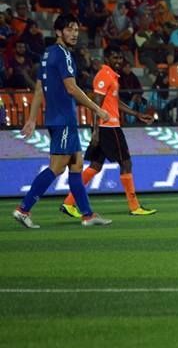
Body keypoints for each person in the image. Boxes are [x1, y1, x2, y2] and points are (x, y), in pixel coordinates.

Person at [12, 14, 112, 229]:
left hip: (56, 119)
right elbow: (72, 88)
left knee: (76, 166)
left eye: (76, 30)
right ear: (58, 32)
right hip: (64, 119)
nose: (74, 34)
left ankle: (87, 214)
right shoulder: (64, 55)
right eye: (69, 29)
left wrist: (32, 119)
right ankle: (24, 209)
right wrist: (97, 109)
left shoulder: (47, 54)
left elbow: (39, 89)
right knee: (56, 168)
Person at [60, 47, 157, 219]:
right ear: (107, 58)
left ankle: (68, 202)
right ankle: (134, 206)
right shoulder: (104, 75)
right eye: (114, 57)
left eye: (120, 57)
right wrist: (96, 131)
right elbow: (96, 104)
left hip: (106, 127)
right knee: (126, 163)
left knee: (95, 166)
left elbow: (114, 101)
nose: (118, 60)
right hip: (108, 127)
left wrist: (137, 114)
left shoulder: (111, 75)